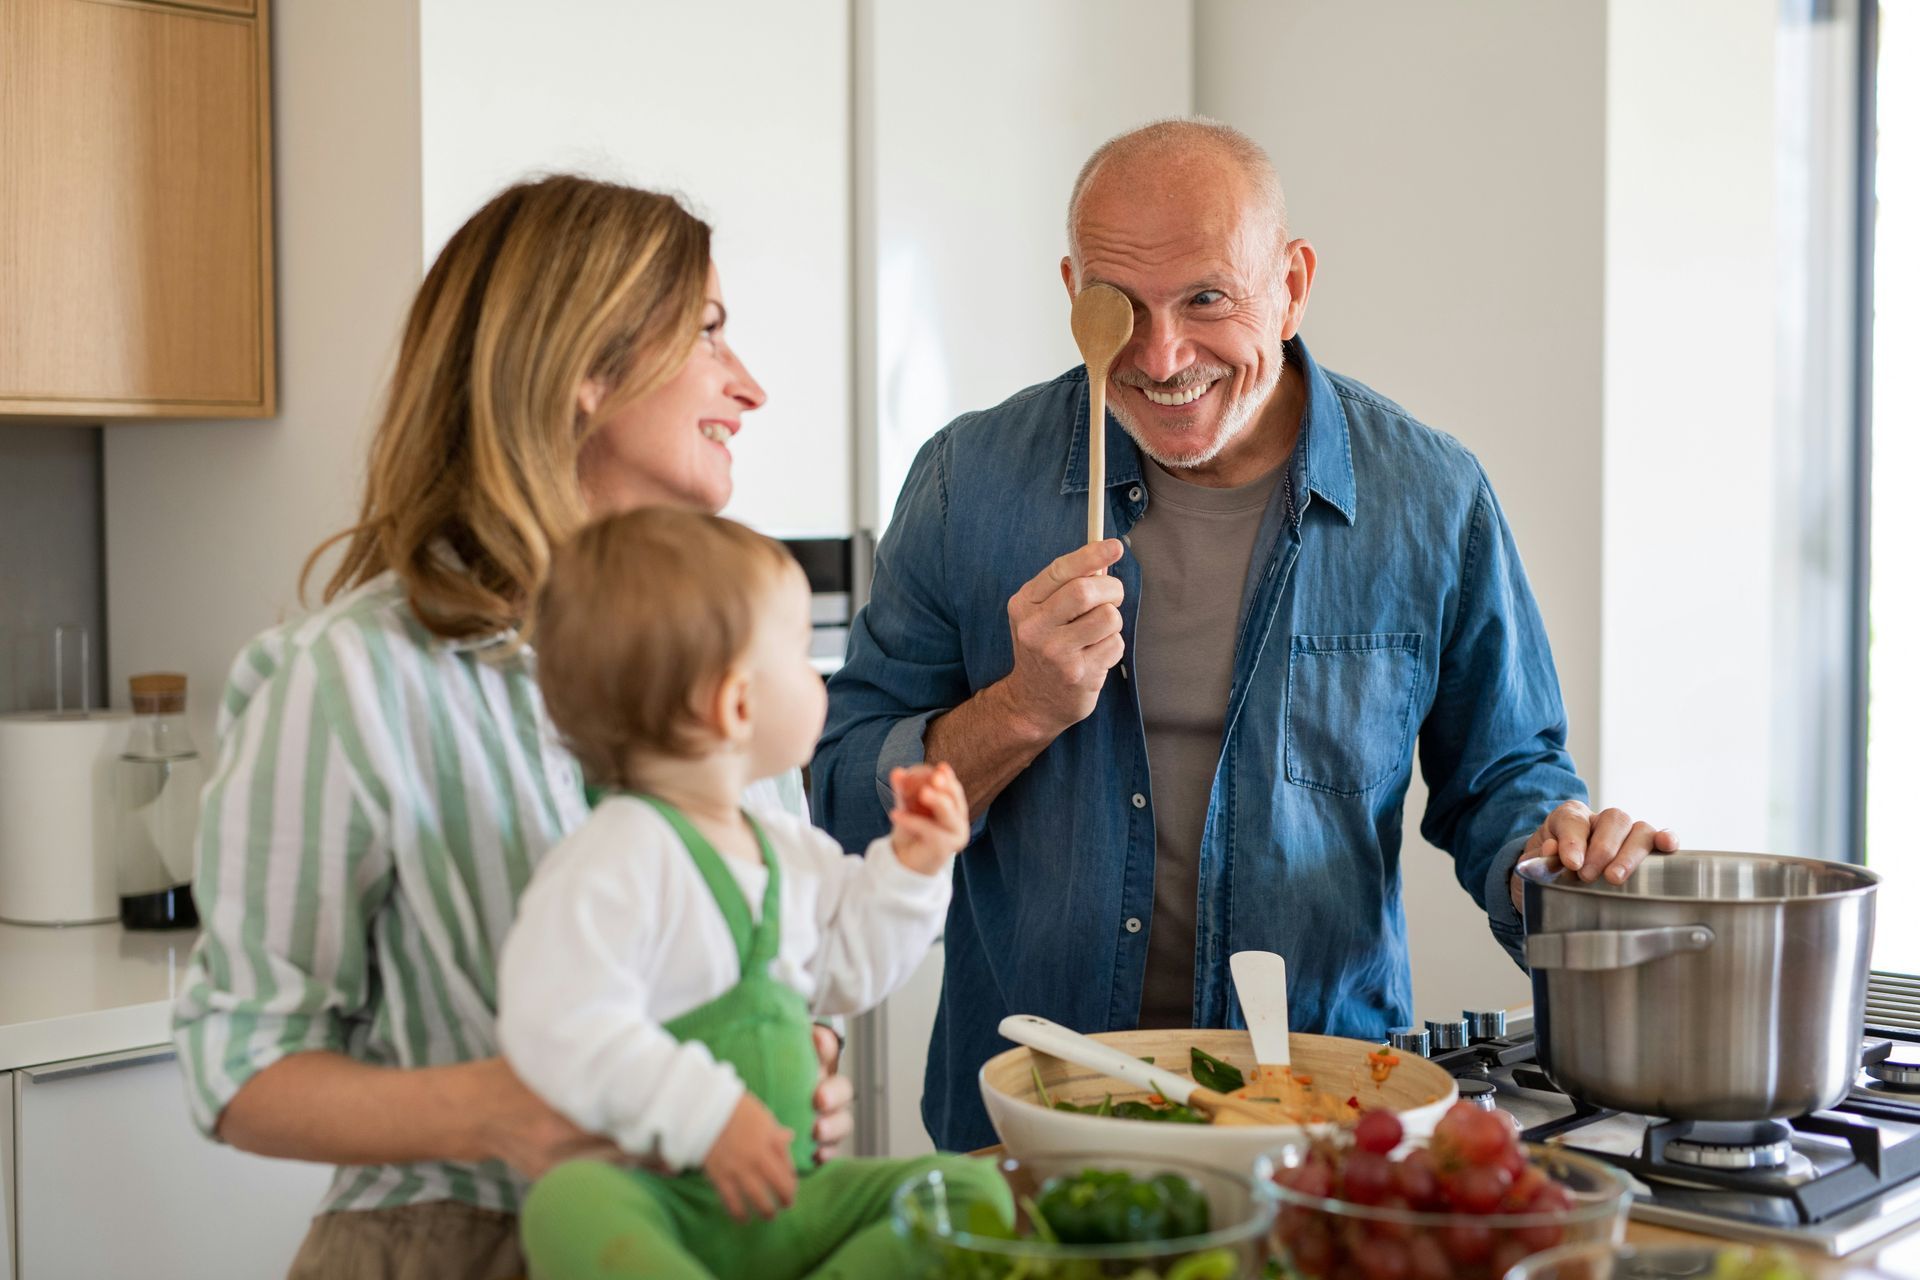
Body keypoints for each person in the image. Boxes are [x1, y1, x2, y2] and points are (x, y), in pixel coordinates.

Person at [811, 118, 1679, 1153]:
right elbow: (843, 798)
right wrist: (1022, 708)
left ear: (1293, 282)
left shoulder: (1431, 496)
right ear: (1071, 288)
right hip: (1025, 1127)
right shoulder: (968, 481)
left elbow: (1504, 780)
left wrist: (1557, 859)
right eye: (1118, 306)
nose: (1161, 355)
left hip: (1320, 1124)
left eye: (1206, 299)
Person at [172, 175, 854, 1279]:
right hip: (450, 1245)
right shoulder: (351, 679)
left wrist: (799, 1068)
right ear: (586, 369)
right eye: (710, 332)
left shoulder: (734, 663)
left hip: (714, 1238)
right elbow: (236, 1065)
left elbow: (771, 960)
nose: (752, 386)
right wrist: (487, 1111)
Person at [499, 508, 1004, 1279]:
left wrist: (911, 866)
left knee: (968, 1191)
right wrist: (708, 1117)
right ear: (736, 705)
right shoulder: (617, 856)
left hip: (789, 1198)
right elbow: (559, 1024)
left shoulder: (784, 848)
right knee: (568, 1204)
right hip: (666, 1201)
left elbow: (851, 968)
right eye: (803, 656)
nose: (820, 676)